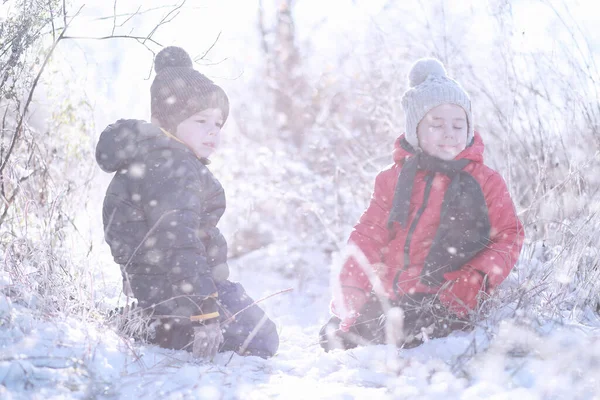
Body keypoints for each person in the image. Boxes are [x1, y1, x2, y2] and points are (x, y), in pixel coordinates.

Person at [319, 58, 525, 351]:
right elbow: (367, 236)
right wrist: (353, 289)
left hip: (447, 296)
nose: (449, 133)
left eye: (458, 124)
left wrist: (473, 280)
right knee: (336, 336)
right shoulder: (393, 180)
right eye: (436, 124)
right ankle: (371, 322)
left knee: (406, 332)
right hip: (393, 294)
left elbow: (509, 236)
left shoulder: (486, 181)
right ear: (416, 130)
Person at [96, 46, 279, 359]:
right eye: (200, 121)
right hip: (180, 295)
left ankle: (151, 322)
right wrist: (204, 312)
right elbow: (179, 241)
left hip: (164, 291)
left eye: (217, 124)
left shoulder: (158, 160)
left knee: (251, 323)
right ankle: (153, 329)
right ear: (167, 122)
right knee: (261, 336)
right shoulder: (174, 166)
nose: (212, 132)